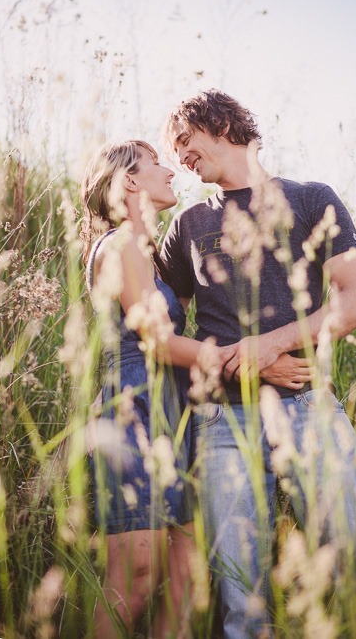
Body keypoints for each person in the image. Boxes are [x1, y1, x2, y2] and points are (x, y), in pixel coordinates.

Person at [161, 89, 356, 638]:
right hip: (221, 425)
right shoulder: (186, 225)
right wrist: (249, 365)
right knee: (241, 598)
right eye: (173, 149)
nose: (180, 155)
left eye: (185, 139)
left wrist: (268, 345)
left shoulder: (310, 199)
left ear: (223, 123)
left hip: (306, 409)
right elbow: (166, 334)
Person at [80, 139, 217, 638]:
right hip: (133, 411)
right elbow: (157, 342)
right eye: (156, 163)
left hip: (174, 413)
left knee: (185, 572)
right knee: (137, 576)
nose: (170, 171)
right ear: (130, 181)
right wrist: (242, 358)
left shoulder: (150, 255)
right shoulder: (119, 244)